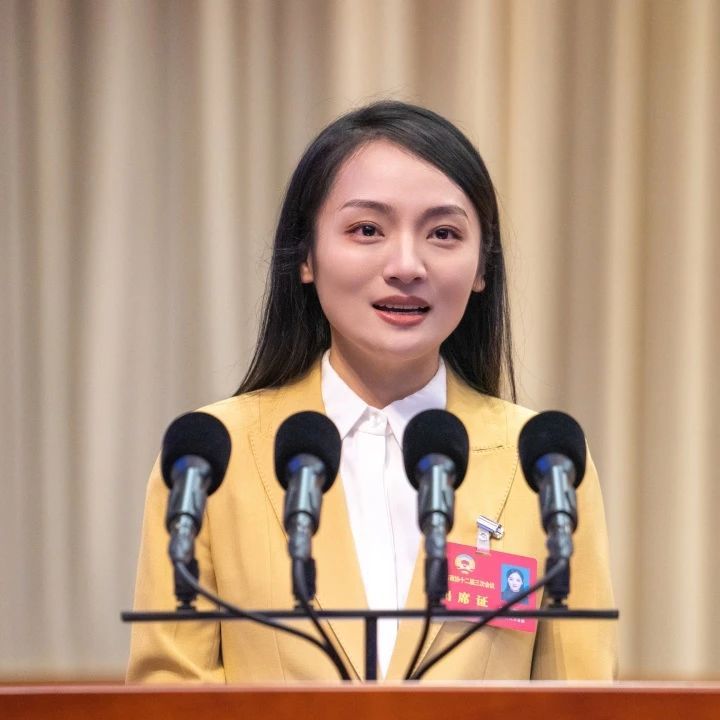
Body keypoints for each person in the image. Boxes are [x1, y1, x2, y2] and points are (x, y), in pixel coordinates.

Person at [127, 101, 617, 683]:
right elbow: (170, 699)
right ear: (306, 256)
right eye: (367, 230)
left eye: (443, 233)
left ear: (482, 268)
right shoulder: (208, 461)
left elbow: (583, 700)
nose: (406, 265)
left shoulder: (545, 463)